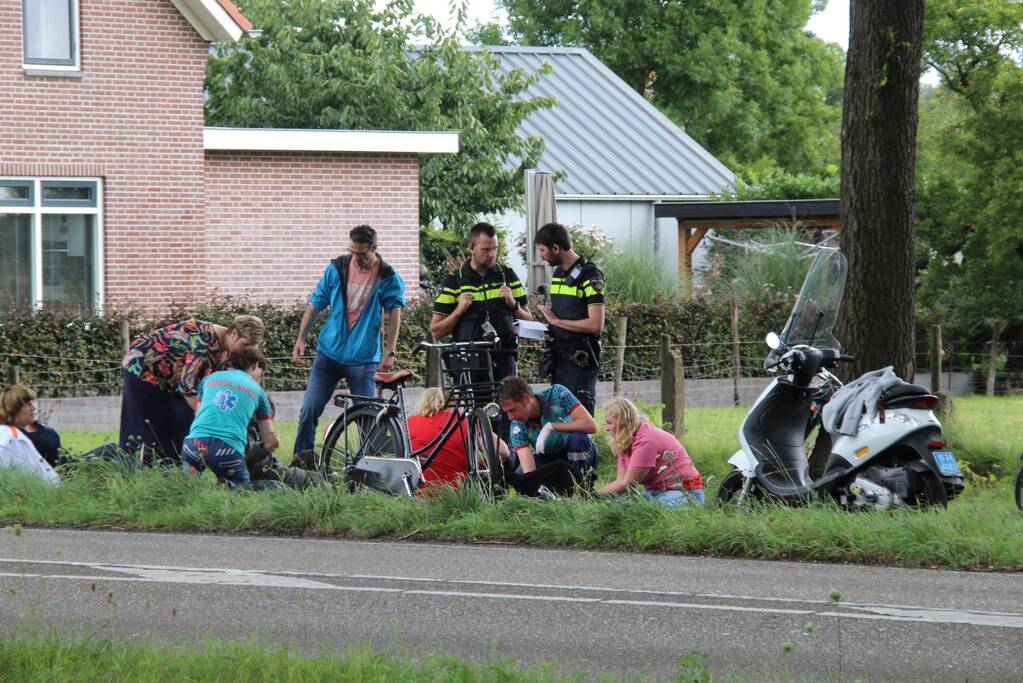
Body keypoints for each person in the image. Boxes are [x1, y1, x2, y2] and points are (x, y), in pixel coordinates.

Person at [292, 224, 406, 458]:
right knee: (309, 409)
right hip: (329, 355)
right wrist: (300, 338)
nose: (356, 258)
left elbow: (395, 312)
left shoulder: (387, 275)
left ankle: (369, 466)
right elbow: (316, 303)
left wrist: (390, 351)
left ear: (374, 248)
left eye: (362, 253)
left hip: (363, 359)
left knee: (367, 417)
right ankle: (300, 461)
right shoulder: (337, 268)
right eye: (352, 251)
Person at [120, 315, 265, 465]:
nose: (248, 350)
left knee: (180, 425)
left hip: (172, 380)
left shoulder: (225, 348)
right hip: (141, 370)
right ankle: (134, 468)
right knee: (150, 429)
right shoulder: (204, 342)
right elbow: (189, 389)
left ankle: (173, 470)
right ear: (234, 334)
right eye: (246, 344)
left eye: (253, 346)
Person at [408, 387, 575, 497]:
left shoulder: (410, 422)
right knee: (498, 466)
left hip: (418, 491)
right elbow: (503, 452)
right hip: (455, 491)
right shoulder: (464, 422)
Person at [430, 222, 532, 384]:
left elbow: (528, 321)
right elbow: (436, 331)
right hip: (469, 363)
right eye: (486, 250)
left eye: (495, 249)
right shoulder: (454, 281)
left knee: (507, 409)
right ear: (472, 247)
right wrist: (458, 311)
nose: (492, 254)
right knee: (473, 410)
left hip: (505, 359)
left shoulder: (507, 276)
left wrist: (514, 305)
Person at [533, 222, 606, 417]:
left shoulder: (591, 276)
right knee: (558, 419)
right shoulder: (558, 274)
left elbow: (596, 324)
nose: (541, 255)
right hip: (559, 361)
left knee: (579, 423)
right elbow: (564, 314)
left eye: (542, 250)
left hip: (580, 363)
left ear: (556, 248)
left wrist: (556, 321)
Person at [181, 346, 278, 490]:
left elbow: (199, 413)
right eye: (260, 374)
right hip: (226, 450)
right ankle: (228, 486)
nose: (259, 378)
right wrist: (274, 443)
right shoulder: (259, 392)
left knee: (187, 488)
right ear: (256, 365)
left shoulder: (208, 379)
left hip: (193, 444)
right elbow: (269, 442)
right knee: (243, 490)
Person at [596, 398, 704, 506]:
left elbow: (628, 484)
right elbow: (621, 481)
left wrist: (594, 496)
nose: (607, 428)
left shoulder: (647, 440)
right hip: (656, 492)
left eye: (609, 423)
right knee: (614, 505)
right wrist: (596, 497)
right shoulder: (626, 440)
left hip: (684, 492)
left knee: (649, 512)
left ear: (623, 422)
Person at [498, 376, 599, 489]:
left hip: (581, 450)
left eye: (512, 410)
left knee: (578, 439)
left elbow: (591, 425)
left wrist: (551, 427)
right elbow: (529, 471)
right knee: (525, 479)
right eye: (506, 412)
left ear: (526, 398)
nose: (510, 417)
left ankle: (581, 488)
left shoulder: (557, 393)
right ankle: (555, 493)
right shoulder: (517, 426)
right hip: (551, 456)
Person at [0, 385, 60, 484]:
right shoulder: (8, 438)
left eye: (32, 402)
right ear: (13, 409)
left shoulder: (45, 429)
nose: (33, 407)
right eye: (28, 404)